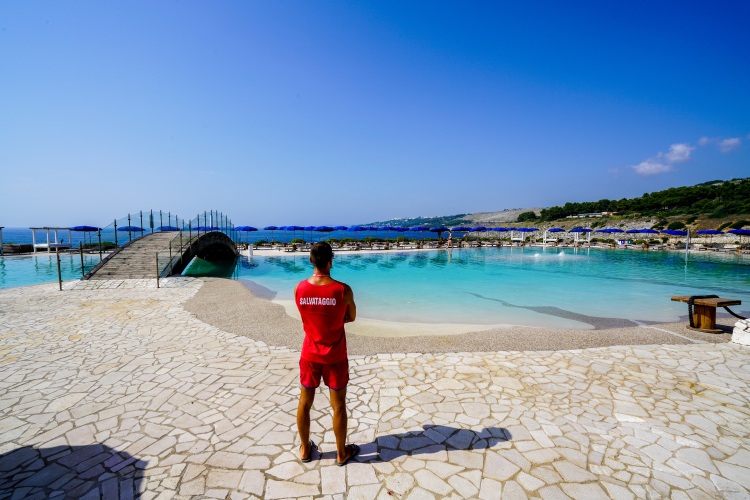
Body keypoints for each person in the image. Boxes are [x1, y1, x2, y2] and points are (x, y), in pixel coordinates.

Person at [294, 242, 359, 465]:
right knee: (338, 405)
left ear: (311, 260)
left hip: (310, 355)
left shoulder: (299, 289)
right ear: (330, 261)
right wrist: (336, 318)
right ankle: (341, 453)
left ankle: (305, 449)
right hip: (335, 356)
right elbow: (351, 317)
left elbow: (306, 315)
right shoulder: (343, 290)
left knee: (305, 403)